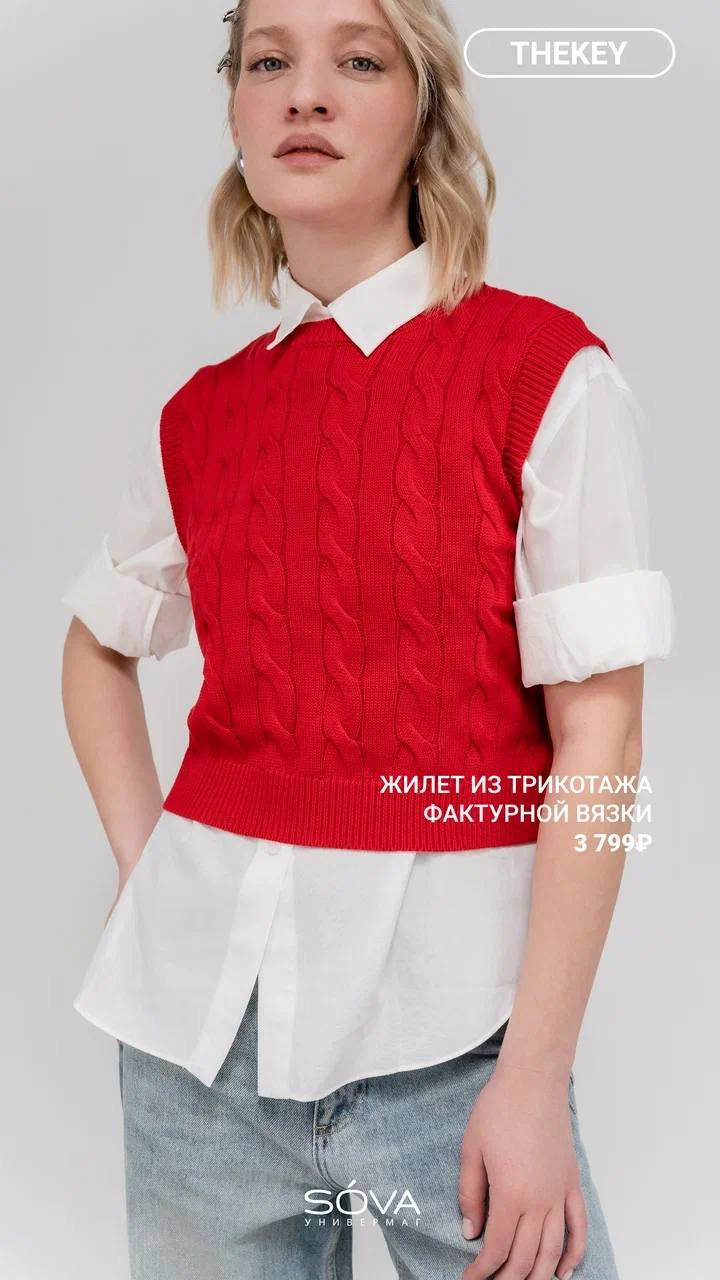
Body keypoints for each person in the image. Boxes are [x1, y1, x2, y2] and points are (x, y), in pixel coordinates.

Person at [60, 1, 675, 1278]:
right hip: (193, 1057)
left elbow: (603, 736)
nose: (305, 93)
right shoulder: (202, 415)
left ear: (424, 110)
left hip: (458, 1053)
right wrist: (144, 872)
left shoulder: (543, 372)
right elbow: (97, 645)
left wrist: (534, 1073)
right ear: (235, 113)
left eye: (358, 59)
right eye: (268, 61)